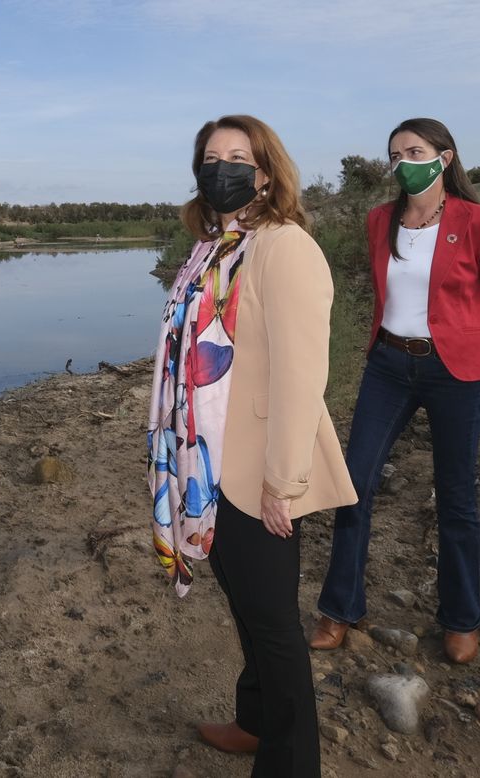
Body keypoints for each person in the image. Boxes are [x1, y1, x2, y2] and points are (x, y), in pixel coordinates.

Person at [149, 114, 356, 777]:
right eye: (211, 159)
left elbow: (302, 376)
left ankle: (291, 763)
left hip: (255, 467)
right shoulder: (212, 248)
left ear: (265, 174)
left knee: (272, 623)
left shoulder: (283, 247)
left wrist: (282, 482)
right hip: (204, 463)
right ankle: (255, 721)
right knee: (244, 603)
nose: (223, 169)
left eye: (238, 158)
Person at [310, 118, 480, 664]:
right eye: (395, 154)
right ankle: (340, 608)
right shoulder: (380, 220)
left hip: (456, 372)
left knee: (456, 496)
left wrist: (467, 349)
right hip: (388, 365)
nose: (404, 162)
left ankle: (461, 617)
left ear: (444, 158)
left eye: (415, 151)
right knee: (353, 483)